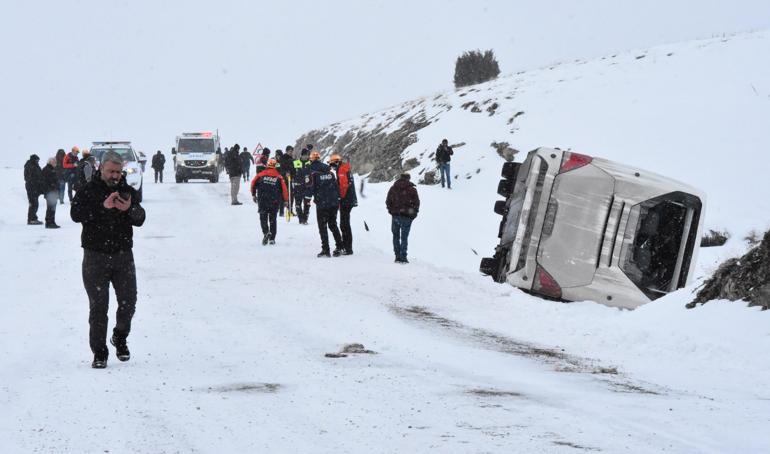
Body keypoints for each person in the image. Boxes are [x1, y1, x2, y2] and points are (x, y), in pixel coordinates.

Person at [71, 150, 146, 369]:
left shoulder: (127, 191)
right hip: (95, 256)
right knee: (98, 307)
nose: (114, 175)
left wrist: (129, 209)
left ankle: (120, 337)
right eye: (111, 171)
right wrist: (102, 207)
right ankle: (99, 352)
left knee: (128, 303)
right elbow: (76, 215)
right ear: (101, 168)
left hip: (123, 256)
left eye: (118, 172)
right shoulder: (88, 190)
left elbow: (140, 218)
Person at [306, 150, 343, 257]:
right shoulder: (330, 172)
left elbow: (310, 187)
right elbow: (336, 187)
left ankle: (326, 249)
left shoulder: (312, 172)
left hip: (322, 203)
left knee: (322, 227)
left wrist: (307, 199)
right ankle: (340, 246)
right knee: (333, 224)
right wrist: (338, 199)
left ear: (311, 160)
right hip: (333, 202)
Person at [250, 158, 289, 245]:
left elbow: (253, 184)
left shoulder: (260, 175)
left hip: (262, 200)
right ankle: (272, 238)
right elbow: (284, 190)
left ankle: (266, 232)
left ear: (267, 165)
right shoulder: (279, 177)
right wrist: (286, 200)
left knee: (263, 218)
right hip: (274, 201)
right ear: (275, 166)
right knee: (273, 219)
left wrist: (253, 194)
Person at [386, 172, 420, 263]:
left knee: (395, 236)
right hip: (407, 216)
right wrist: (412, 215)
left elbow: (388, 201)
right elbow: (416, 204)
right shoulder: (412, 189)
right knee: (404, 237)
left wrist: (392, 211)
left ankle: (397, 256)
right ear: (409, 178)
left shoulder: (393, 188)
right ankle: (403, 257)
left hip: (395, 216)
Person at [329, 154, 358, 255]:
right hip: (349, 199)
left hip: (346, 200)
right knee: (345, 224)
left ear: (337, 162)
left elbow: (343, 186)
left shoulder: (341, 170)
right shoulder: (345, 168)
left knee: (344, 224)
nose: (332, 167)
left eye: (333, 165)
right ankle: (347, 247)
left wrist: (339, 197)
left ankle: (347, 248)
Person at [293, 148, 312, 224]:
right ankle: (301, 219)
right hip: (298, 186)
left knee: (307, 204)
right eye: (304, 155)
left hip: (308, 187)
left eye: (307, 155)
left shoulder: (310, 163)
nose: (306, 156)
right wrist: (288, 173)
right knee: (298, 204)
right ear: (301, 155)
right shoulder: (295, 163)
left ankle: (305, 219)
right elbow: (291, 171)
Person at [41, 157, 61, 228]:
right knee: (50, 208)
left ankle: (51, 222)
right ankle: (49, 223)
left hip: (52, 192)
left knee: (52, 208)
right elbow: (46, 181)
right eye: (54, 162)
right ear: (51, 162)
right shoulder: (47, 170)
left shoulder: (50, 169)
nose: (55, 163)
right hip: (50, 192)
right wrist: (52, 187)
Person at [24, 154, 43, 225]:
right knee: (33, 203)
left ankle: (33, 218)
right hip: (31, 187)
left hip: (35, 187)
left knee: (35, 203)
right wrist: (36, 182)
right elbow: (29, 177)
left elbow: (40, 175)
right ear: (34, 159)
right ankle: (31, 219)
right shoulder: (30, 166)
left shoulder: (35, 165)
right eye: (37, 160)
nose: (38, 161)